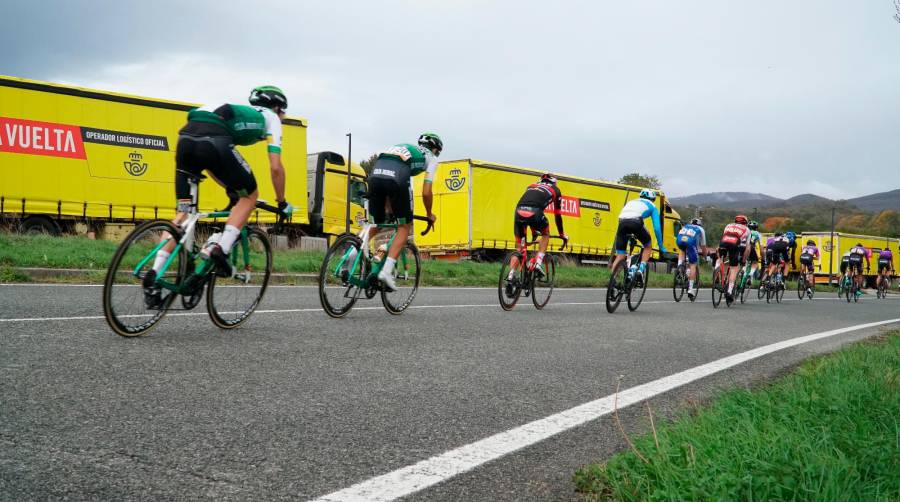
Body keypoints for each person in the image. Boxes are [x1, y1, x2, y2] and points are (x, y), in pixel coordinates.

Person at [143, 85, 293, 307]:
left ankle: (154, 274)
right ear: (278, 108)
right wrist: (282, 202)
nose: (283, 118)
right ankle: (220, 250)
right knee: (251, 196)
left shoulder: (240, 110)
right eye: (284, 114)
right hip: (214, 140)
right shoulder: (271, 118)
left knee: (182, 215)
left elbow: (212, 164)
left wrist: (231, 187)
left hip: (186, 138)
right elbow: (276, 167)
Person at [366, 133, 441, 291]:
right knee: (404, 227)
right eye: (438, 152)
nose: (437, 155)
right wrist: (429, 213)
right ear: (434, 149)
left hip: (376, 171)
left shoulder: (405, 146)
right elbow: (426, 192)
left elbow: (388, 178)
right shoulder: (432, 158)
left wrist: (389, 206)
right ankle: (386, 272)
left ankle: (352, 254)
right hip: (397, 176)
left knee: (376, 222)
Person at [505, 173, 568, 294]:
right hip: (536, 213)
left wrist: (533, 232)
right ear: (554, 182)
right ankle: (538, 262)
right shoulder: (555, 190)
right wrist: (561, 234)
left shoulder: (531, 186)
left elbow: (528, 205)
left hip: (519, 211)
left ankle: (511, 276)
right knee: (545, 233)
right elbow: (557, 215)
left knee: (519, 249)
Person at [609, 189, 667, 285]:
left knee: (620, 256)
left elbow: (625, 216)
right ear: (652, 199)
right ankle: (640, 270)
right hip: (636, 222)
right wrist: (661, 246)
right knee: (648, 246)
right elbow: (657, 228)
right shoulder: (652, 206)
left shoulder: (631, 202)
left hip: (622, 223)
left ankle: (612, 282)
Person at [718, 215, 752, 304]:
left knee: (721, 259)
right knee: (734, 268)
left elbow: (723, 236)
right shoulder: (747, 229)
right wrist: (744, 260)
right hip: (734, 244)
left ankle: (718, 276)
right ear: (745, 223)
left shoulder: (728, 225)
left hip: (723, 242)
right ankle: (729, 291)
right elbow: (748, 249)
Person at [676, 218, 708, 301]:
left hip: (679, 240)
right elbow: (703, 246)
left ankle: (679, 267)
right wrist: (705, 256)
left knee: (682, 250)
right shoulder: (701, 229)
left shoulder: (686, 226)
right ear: (700, 224)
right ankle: (690, 289)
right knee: (693, 264)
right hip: (690, 243)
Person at [747, 221, 763, 287]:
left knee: (742, 261)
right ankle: (750, 274)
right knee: (755, 262)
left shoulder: (745, 231)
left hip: (742, 247)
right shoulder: (758, 234)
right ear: (756, 228)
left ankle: (742, 271)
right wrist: (762, 256)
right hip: (751, 248)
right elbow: (761, 247)